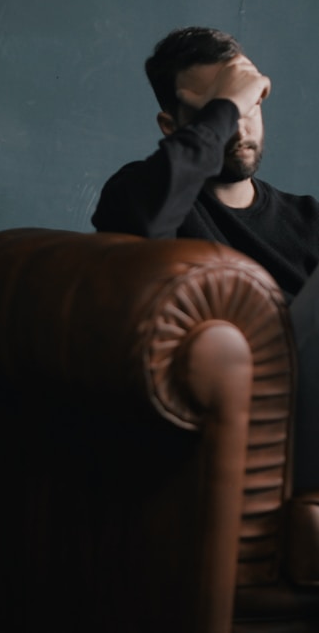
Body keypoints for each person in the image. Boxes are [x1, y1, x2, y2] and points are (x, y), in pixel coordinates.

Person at [91, 26, 319, 491]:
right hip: (258, 421)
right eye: (219, 109)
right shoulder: (143, 194)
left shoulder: (308, 218)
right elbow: (142, 223)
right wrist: (229, 105)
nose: (239, 124)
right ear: (172, 126)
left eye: (251, 103)